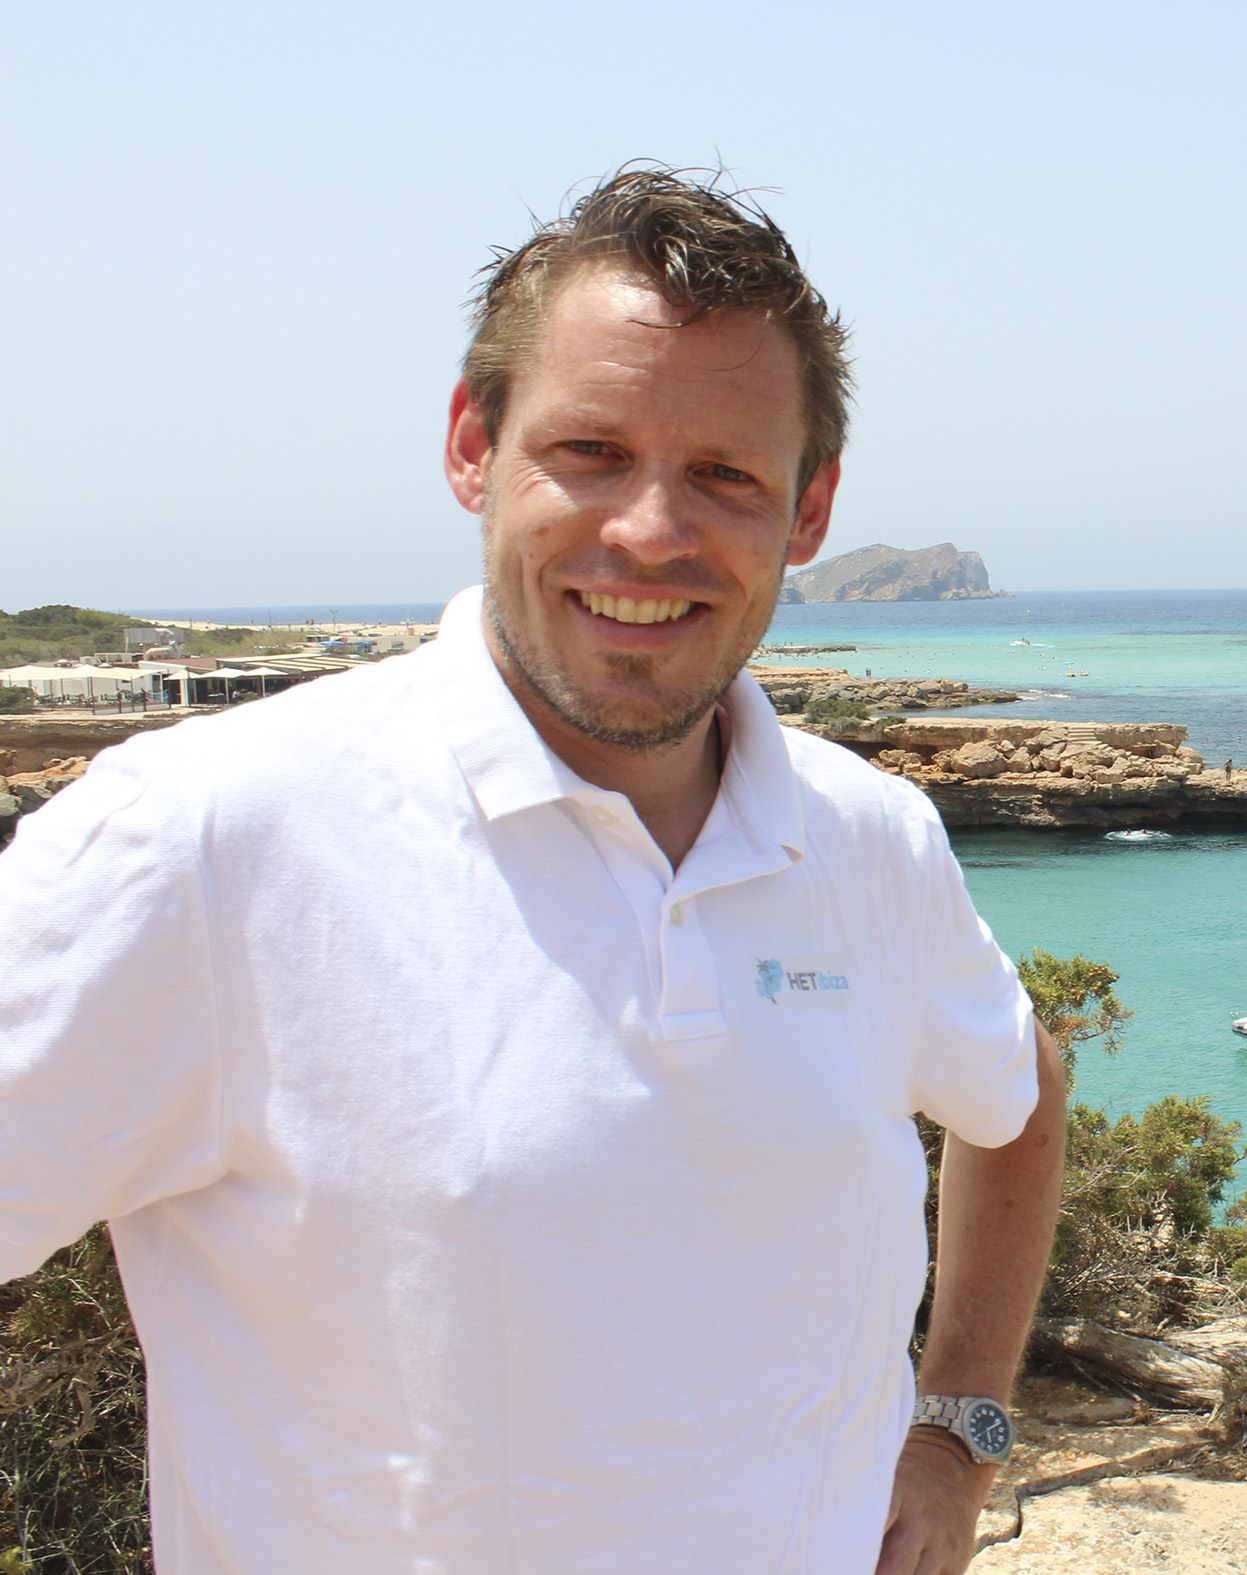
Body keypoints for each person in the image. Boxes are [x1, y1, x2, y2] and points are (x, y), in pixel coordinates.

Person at [0, 168, 1065, 1575]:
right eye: (590, 450)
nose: (650, 532)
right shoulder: (204, 838)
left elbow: (1018, 1094)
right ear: (472, 447)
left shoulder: (870, 835)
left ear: (808, 510)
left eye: (727, 474)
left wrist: (958, 1432)